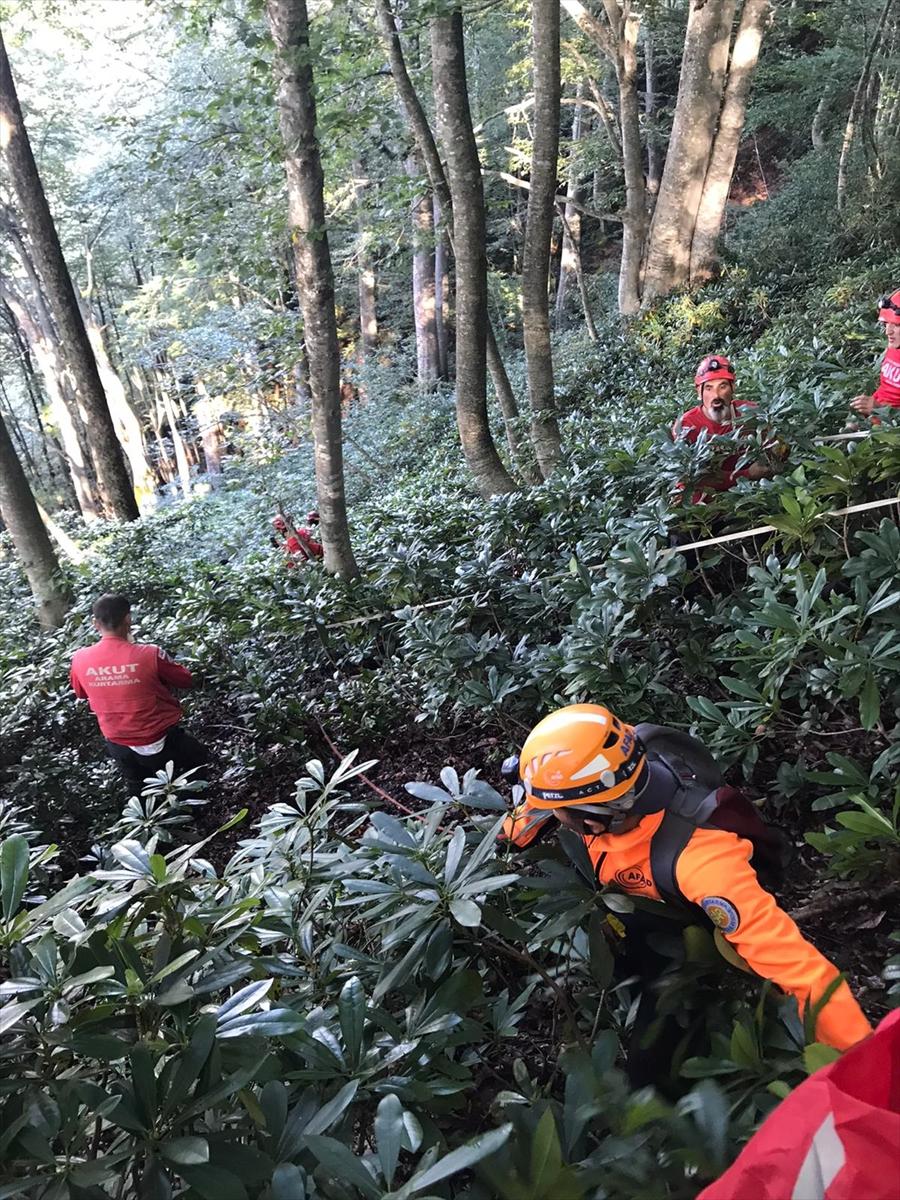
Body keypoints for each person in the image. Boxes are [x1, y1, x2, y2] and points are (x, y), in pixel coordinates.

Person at [499, 704, 872, 1083]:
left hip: (674, 936)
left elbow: (798, 967)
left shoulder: (703, 860)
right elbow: (540, 807)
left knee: (649, 1068)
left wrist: (868, 1063)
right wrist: (510, 835)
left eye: (557, 810)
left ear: (592, 817)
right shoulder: (613, 773)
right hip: (622, 902)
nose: (544, 811)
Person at [70, 594, 208, 795]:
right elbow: (185, 679)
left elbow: (81, 693)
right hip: (161, 737)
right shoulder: (150, 654)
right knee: (197, 761)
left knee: (138, 787)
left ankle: (149, 822)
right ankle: (194, 812)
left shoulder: (80, 659)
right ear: (128, 619)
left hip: (118, 742)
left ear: (95, 623)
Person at [671, 354, 775, 502]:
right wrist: (748, 474)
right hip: (703, 499)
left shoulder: (750, 412)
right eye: (708, 388)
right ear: (699, 393)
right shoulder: (686, 426)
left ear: (733, 388)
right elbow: (695, 477)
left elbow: (772, 449)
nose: (716, 395)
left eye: (723, 386)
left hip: (746, 492)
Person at [849, 289, 900, 420]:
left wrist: (880, 410)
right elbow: (886, 390)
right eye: (886, 324)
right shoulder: (894, 347)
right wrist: (864, 409)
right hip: (873, 419)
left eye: (896, 325)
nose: (888, 332)